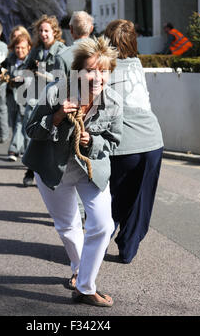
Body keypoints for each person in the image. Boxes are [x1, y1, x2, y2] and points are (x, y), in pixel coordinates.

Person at [23, 36, 122, 307]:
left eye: (103, 71)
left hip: (90, 169)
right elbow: (30, 131)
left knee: (102, 225)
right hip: (53, 170)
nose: (97, 77)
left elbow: (114, 141)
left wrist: (94, 141)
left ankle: (85, 285)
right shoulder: (57, 92)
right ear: (78, 71)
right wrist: (55, 117)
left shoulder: (112, 101)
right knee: (68, 226)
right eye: (91, 69)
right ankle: (81, 276)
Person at [104, 19, 164, 264]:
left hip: (123, 143)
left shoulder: (104, 69)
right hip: (152, 138)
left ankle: (92, 247)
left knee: (115, 200)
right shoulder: (137, 64)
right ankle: (128, 248)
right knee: (141, 199)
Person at [54, 10, 94, 224]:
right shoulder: (103, 52)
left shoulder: (62, 56)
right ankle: (94, 212)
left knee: (74, 166)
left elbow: (56, 92)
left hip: (74, 118)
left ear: (70, 30)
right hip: (98, 117)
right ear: (92, 29)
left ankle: (78, 216)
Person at [21, 14, 66, 186]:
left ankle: (50, 171)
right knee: (34, 132)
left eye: (46, 30)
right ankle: (30, 170)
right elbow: (27, 69)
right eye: (40, 30)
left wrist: (40, 72)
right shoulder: (36, 50)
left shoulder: (62, 50)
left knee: (51, 136)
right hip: (36, 97)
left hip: (54, 99)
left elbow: (60, 78)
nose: (43, 34)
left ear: (54, 31)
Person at [0, 33, 32, 166]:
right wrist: (4, 75)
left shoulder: (32, 60)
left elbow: (38, 76)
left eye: (23, 48)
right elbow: (0, 70)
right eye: (17, 48)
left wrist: (24, 78)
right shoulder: (11, 59)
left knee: (21, 123)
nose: (20, 51)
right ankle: (23, 149)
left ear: (29, 47)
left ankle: (13, 150)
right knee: (15, 123)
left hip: (27, 97)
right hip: (12, 97)